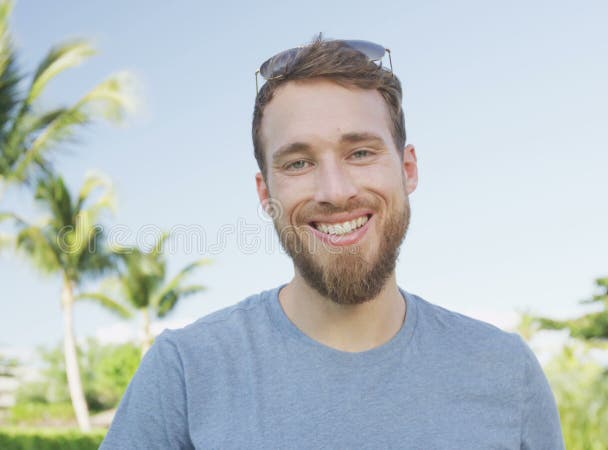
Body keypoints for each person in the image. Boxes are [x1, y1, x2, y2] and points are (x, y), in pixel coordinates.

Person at [100, 35, 564, 449]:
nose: (335, 191)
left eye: (360, 152)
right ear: (266, 194)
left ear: (408, 169)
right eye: (298, 163)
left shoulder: (505, 372)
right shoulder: (184, 372)